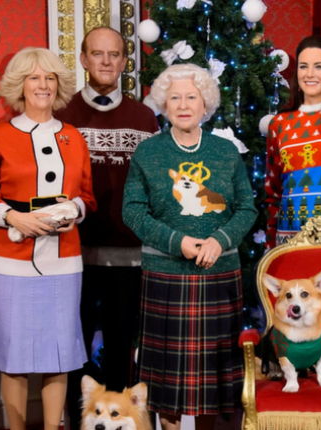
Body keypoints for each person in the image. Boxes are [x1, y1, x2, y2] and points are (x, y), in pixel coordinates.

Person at [122, 63, 257, 430]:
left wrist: (220, 240)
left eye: (191, 97)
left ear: (205, 103)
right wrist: (176, 241)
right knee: (167, 391)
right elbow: (132, 211)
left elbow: (247, 208)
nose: (183, 105)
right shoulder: (148, 152)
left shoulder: (225, 152)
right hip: (165, 278)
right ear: (164, 104)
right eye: (175, 98)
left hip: (219, 278)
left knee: (212, 390)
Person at [0, 47, 96, 430]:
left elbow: (87, 197)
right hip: (12, 262)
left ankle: (53, 426)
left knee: (60, 354)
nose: (43, 85)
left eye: (50, 78)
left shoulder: (73, 136)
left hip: (65, 261)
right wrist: (14, 218)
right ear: (20, 85)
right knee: (15, 356)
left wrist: (73, 211)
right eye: (34, 78)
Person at [55, 27, 160, 426]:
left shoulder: (143, 117)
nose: (105, 61)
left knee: (120, 348)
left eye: (113, 54)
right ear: (83, 59)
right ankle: (77, 422)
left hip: (129, 255)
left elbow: (156, 184)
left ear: (123, 61)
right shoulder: (62, 113)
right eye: (97, 54)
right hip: (71, 254)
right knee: (73, 348)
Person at [265, 35, 321, 247]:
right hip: (291, 242)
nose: (309, 74)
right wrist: (270, 248)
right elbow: (273, 194)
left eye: (318, 66)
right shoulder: (279, 124)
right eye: (303, 66)